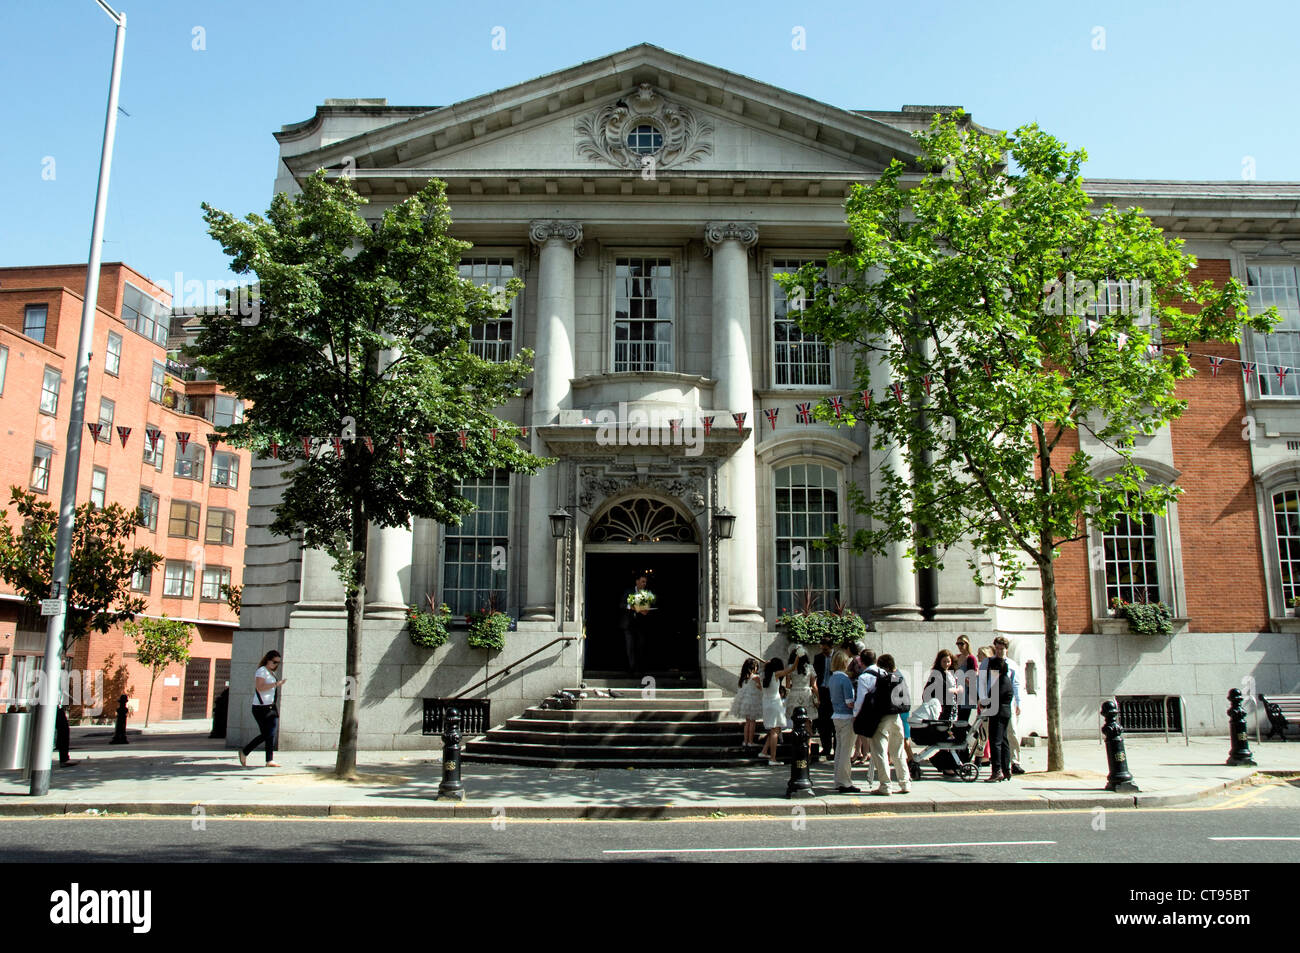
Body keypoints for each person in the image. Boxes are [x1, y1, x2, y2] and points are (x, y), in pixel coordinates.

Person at [864, 654, 911, 795]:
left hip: (882, 717)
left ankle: (885, 786)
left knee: (880, 751)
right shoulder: (899, 678)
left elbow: (876, 699)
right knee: (898, 751)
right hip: (896, 717)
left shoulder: (882, 680)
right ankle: (905, 783)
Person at [239, 650, 287, 768]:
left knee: (271, 734)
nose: (276, 665)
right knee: (267, 733)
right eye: (274, 662)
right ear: (268, 660)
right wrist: (276, 684)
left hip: (271, 707)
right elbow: (260, 687)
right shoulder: (261, 671)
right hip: (261, 708)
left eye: (278, 663)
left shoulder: (270, 672)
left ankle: (269, 760)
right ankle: (245, 751)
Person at [979, 644, 1017, 782]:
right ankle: (1006, 770)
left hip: (998, 712)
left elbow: (994, 698)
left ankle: (997, 770)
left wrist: (985, 703)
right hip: (1005, 712)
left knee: (995, 741)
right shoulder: (1006, 680)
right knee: (1004, 740)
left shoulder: (1000, 682)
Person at [825, 650, 859, 793]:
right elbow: (849, 702)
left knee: (839, 750)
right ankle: (845, 782)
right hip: (846, 716)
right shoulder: (844, 679)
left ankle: (838, 780)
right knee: (846, 751)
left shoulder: (832, 678)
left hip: (836, 716)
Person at [757, 657, 797, 765]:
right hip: (775, 703)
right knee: (775, 730)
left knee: (775, 729)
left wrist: (766, 665)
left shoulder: (762, 675)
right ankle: (773, 758)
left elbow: (760, 682)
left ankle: (764, 751)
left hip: (766, 703)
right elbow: (792, 668)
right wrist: (798, 656)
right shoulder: (775, 674)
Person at [783, 646, 817, 740]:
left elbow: (787, 685)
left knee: (795, 720)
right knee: (807, 720)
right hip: (806, 693)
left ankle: (796, 741)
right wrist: (818, 697)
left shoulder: (790, 667)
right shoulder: (810, 668)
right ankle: (808, 744)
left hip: (794, 693)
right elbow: (814, 685)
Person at [621, 574, 652, 673]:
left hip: (640, 624)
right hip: (628, 624)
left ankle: (639, 668)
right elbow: (621, 604)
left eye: (645, 582)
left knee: (640, 645)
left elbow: (647, 608)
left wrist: (645, 610)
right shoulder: (628, 592)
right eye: (643, 581)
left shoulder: (646, 594)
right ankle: (631, 668)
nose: (644, 584)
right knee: (629, 646)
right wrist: (632, 607)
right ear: (637, 581)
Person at [729, 658, 763, 747]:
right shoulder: (756, 677)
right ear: (754, 667)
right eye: (756, 666)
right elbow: (761, 688)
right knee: (752, 722)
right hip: (753, 701)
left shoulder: (743, 678)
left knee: (747, 722)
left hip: (745, 701)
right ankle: (751, 742)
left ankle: (746, 741)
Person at [812, 636, 836, 760]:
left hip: (834, 691)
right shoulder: (818, 658)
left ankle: (836, 750)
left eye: (826, 649)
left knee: (835, 722)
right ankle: (826, 748)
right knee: (823, 721)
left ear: (831, 647)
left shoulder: (837, 657)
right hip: (822, 690)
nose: (824, 651)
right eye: (822, 649)